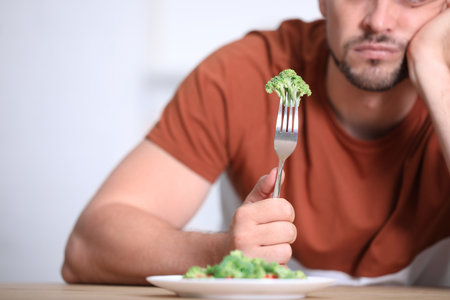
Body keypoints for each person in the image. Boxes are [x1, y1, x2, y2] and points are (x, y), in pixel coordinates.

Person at [61, 0, 450, 286]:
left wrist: (433, 69)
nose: (378, 20)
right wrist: (222, 250)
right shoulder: (243, 73)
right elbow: (87, 248)